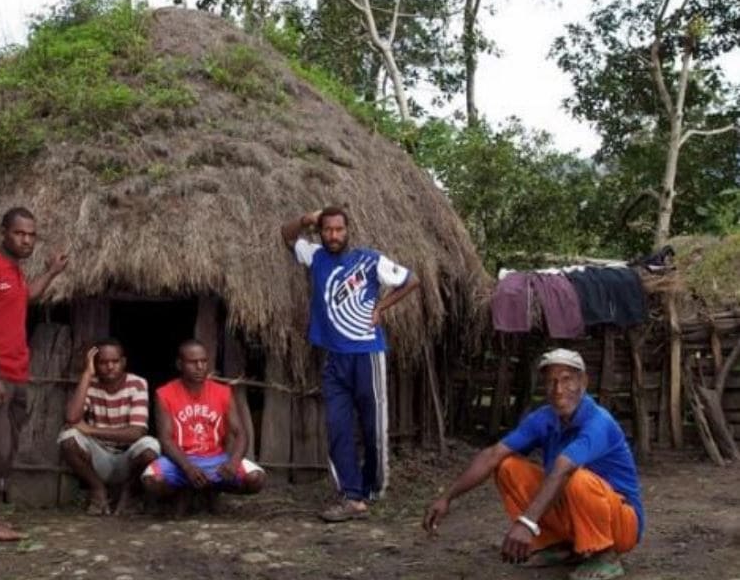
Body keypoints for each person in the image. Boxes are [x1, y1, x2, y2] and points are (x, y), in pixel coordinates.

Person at [422, 349, 644, 580]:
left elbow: (563, 467)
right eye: (551, 382)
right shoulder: (545, 417)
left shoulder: (599, 421)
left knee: (576, 477)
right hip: (574, 515)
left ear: (583, 382)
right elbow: (492, 454)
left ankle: (605, 555)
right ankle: (557, 545)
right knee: (508, 467)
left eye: (567, 380)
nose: (558, 390)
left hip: (621, 525)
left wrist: (527, 522)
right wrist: (446, 497)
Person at [281, 207, 420, 522]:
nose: (333, 235)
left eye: (339, 229)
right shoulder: (314, 256)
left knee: (372, 427)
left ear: (347, 230)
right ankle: (351, 495)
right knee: (338, 427)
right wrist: (305, 219)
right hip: (334, 357)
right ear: (321, 232)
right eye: (328, 230)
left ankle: (370, 487)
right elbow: (286, 235)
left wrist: (381, 306)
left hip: (367, 355)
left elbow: (412, 280)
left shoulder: (369, 259)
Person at [0, 207, 68, 542]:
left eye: (31, 234)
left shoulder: (15, 273)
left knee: (5, 454)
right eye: (20, 233)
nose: (26, 240)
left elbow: (26, 297)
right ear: (3, 232)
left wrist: (51, 272)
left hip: (17, 373)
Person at [142, 340, 265, 506]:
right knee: (152, 481)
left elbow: (240, 433)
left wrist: (233, 463)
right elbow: (165, 438)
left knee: (256, 479)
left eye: (204, 361)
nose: (200, 367)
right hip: (180, 461)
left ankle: (212, 488)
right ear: (180, 364)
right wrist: (187, 468)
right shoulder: (164, 394)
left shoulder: (223, 392)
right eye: (193, 362)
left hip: (216, 459)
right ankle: (183, 491)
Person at [58, 340, 160, 515]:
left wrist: (91, 430)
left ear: (124, 362)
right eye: (103, 362)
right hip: (99, 459)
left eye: (115, 361)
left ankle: (130, 492)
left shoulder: (137, 384)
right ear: (96, 364)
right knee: (68, 438)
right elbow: (72, 417)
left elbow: (137, 432)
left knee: (151, 447)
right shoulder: (90, 384)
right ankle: (98, 489)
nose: (110, 366)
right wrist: (87, 374)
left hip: (129, 458)